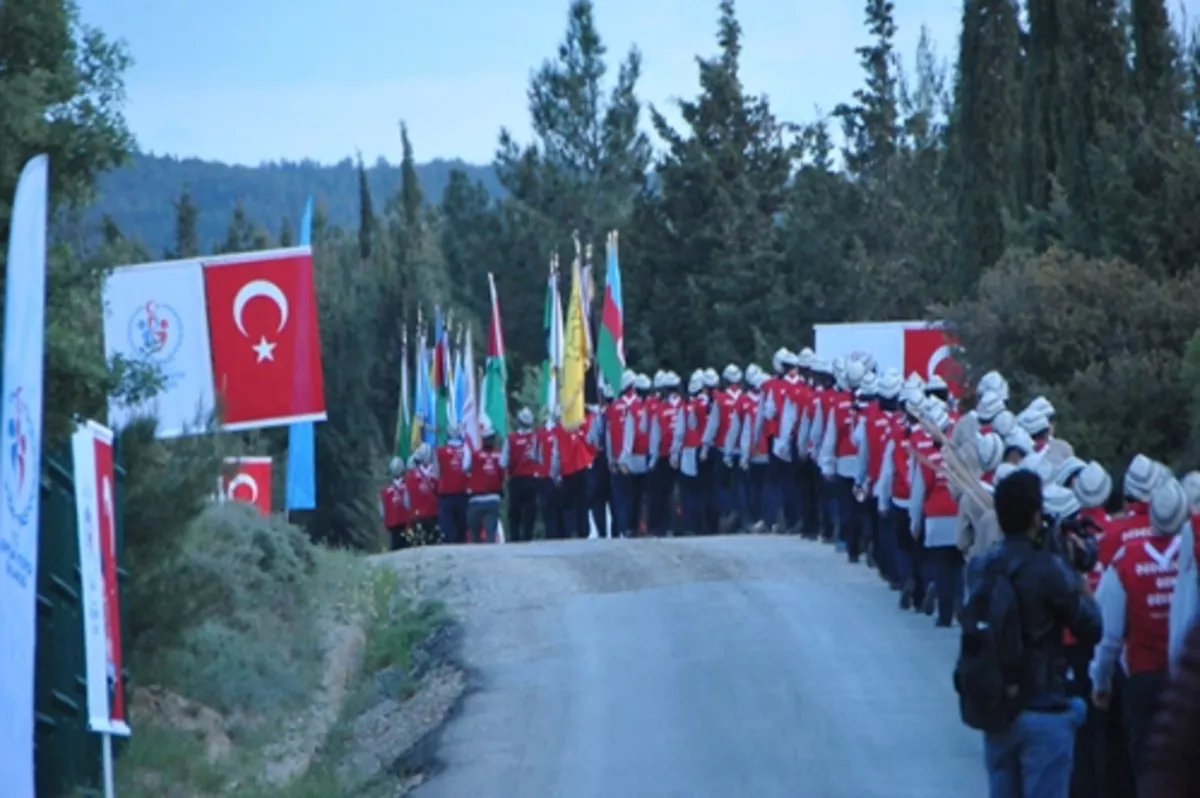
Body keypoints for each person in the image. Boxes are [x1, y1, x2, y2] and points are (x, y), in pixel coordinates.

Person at [978, 469, 1102, 798]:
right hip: (1044, 704)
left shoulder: (982, 568)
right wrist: (1076, 575)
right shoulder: (1048, 569)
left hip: (997, 708)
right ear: (1036, 516)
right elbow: (1091, 627)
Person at [1090, 478, 1190, 785]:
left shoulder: (1126, 560)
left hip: (1143, 680)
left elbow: (1109, 637)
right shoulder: (1191, 559)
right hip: (1186, 681)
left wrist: (1100, 682)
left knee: (1145, 770)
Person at [432, 425, 470, 544]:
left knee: (447, 528)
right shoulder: (466, 450)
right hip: (462, 493)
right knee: (462, 527)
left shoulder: (439, 452)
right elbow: (468, 469)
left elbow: (436, 474)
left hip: (446, 494)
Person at [506, 407, 540, 543]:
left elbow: (503, 461)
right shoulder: (535, 438)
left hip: (516, 478)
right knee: (530, 509)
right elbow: (539, 458)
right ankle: (528, 536)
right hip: (531, 478)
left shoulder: (511, 439)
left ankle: (515, 537)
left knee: (514, 510)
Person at [379, 457, 410, 551]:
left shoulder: (384, 491)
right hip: (406, 524)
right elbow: (408, 504)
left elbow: (382, 512)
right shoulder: (408, 486)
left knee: (395, 548)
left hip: (392, 525)